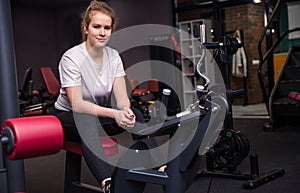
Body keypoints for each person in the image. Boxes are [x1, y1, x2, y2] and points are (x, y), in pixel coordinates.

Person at [51, 1, 136, 192]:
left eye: (107, 27)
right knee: (85, 120)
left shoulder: (113, 56)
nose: (102, 32)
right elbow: (78, 105)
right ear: (86, 28)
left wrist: (125, 110)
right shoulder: (72, 57)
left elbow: (121, 95)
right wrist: (114, 114)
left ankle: (161, 168)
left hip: (95, 114)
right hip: (66, 116)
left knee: (135, 112)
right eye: (96, 26)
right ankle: (108, 184)